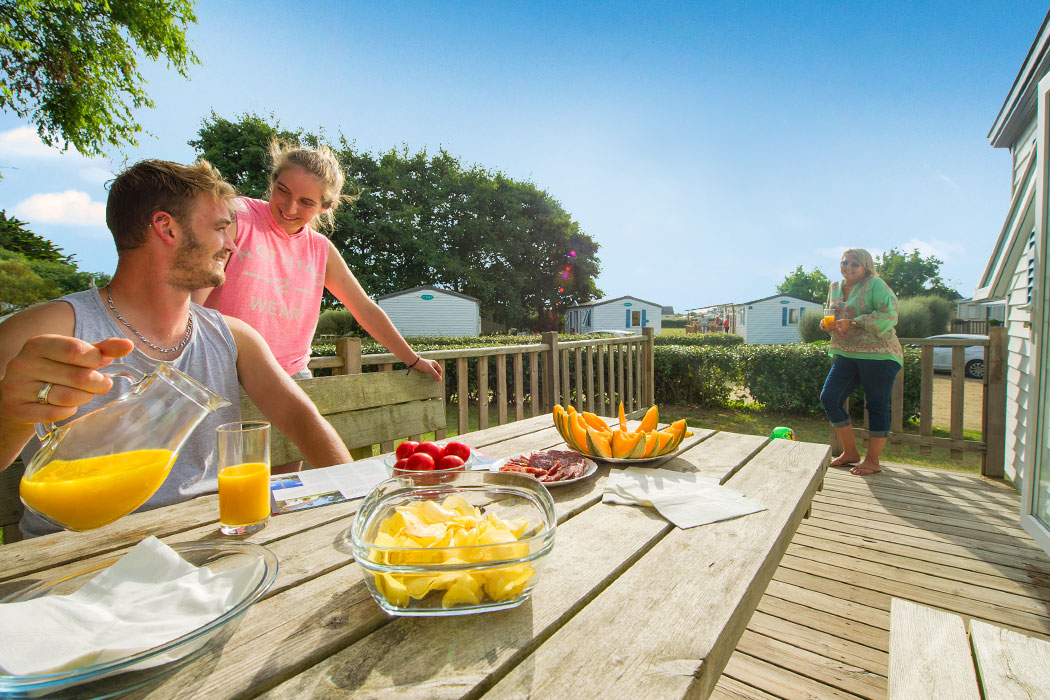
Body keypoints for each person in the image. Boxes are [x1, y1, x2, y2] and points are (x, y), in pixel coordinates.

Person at [0, 159, 353, 538]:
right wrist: (12, 414)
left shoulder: (234, 336)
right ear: (166, 227)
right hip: (72, 560)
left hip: (212, 543)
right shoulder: (39, 331)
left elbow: (302, 420)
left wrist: (360, 508)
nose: (233, 244)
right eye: (220, 228)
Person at [197, 141, 442, 383]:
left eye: (306, 202)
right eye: (282, 190)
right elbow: (192, 306)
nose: (289, 207)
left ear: (324, 207)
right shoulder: (237, 217)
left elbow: (365, 309)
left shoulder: (320, 249)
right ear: (273, 181)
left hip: (292, 376)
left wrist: (413, 359)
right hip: (223, 370)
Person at [818, 248, 903, 476]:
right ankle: (851, 453)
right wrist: (827, 325)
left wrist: (854, 323)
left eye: (855, 264)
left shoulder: (875, 284)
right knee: (830, 397)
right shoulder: (835, 287)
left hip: (880, 353)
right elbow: (833, 316)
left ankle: (872, 461)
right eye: (845, 262)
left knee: (876, 403)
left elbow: (889, 315)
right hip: (847, 353)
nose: (848, 267)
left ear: (866, 267)